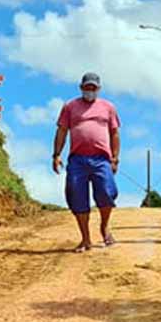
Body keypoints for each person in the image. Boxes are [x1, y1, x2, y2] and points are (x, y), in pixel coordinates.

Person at [52, 72, 121, 252]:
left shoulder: (108, 107)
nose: (90, 90)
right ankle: (85, 238)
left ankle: (104, 227)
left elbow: (114, 133)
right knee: (76, 195)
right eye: (87, 87)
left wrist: (115, 158)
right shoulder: (70, 107)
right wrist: (56, 154)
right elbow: (62, 131)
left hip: (101, 159)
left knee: (107, 192)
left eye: (93, 88)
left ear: (98, 89)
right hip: (77, 159)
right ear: (81, 88)